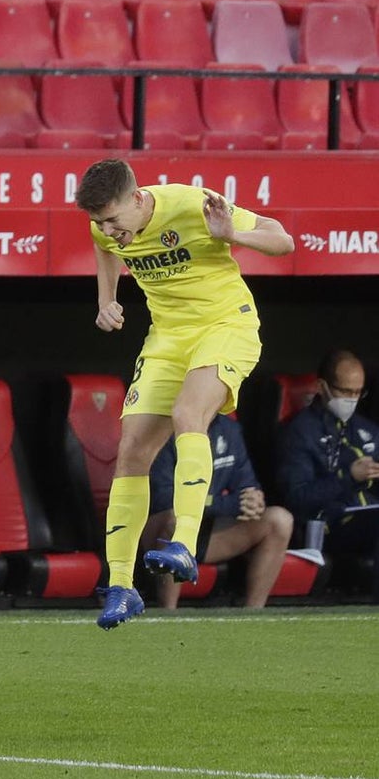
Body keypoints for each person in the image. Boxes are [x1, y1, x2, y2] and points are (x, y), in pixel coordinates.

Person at [74, 158, 294, 630]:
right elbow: (106, 253)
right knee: (131, 451)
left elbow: (283, 240)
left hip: (225, 325)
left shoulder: (193, 205)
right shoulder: (105, 228)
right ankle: (121, 587)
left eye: (114, 219)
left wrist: (233, 233)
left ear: (137, 198)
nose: (108, 231)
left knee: (188, 414)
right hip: (168, 337)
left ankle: (185, 545)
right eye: (99, 222)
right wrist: (106, 299)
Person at [141, 415, 292, 608]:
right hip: (154, 532)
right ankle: (168, 612)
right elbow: (163, 498)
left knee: (280, 520)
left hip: (206, 529)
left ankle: (254, 614)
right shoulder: (164, 429)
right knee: (176, 520)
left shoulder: (229, 429)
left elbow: (247, 485)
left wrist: (254, 501)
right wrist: (227, 504)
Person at [278, 349, 379, 600]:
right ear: (322, 386)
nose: (352, 399)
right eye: (346, 392)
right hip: (327, 526)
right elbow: (297, 497)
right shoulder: (299, 432)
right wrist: (348, 477)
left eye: (358, 392)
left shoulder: (366, 429)